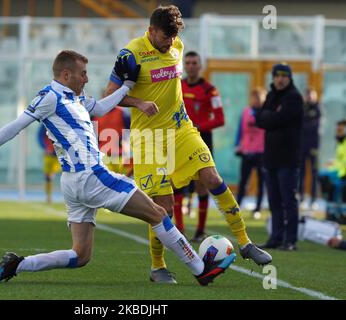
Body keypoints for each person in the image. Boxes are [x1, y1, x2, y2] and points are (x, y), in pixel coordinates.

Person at [0, 50, 236, 286]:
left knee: (81, 256)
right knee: (158, 213)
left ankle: (17, 265)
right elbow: (16, 126)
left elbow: (101, 108)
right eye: (83, 73)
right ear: (66, 75)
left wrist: (127, 87)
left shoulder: (76, 98)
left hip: (73, 184)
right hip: (92, 175)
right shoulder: (50, 96)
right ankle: (201, 270)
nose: (87, 78)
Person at [104, 5, 271, 284]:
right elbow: (109, 95)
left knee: (212, 177)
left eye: (173, 37)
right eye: (164, 37)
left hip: (182, 129)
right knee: (162, 207)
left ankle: (244, 242)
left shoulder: (177, 45)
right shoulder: (130, 55)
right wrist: (138, 102)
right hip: (150, 139)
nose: (169, 42)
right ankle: (158, 267)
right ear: (151, 30)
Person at [176, 50, 225, 241]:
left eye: (194, 63)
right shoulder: (177, 87)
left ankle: (199, 230)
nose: (190, 66)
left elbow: (220, 119)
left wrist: (198, 127)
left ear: (200, 65)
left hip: (202, 139)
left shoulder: (210, 90)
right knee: (177, 183)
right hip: (180, 139)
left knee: (202, 185)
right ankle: (179, 229)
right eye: (187, 63)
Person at [255, 63, 304, 251]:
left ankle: (290, 240)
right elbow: (260, 119)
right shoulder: (272, 95)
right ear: (273, 77)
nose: (280, 79)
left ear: (289, 78)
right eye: (277, 75)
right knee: (274, 200)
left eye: (284, 76)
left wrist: (270, 117)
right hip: (271, 157)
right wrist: (271, 117)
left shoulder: (294, 98)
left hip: (288, 158)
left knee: (288, 200)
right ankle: (276, 238)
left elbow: (277, 119)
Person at [235, 88, 266, 219]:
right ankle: (237, 207)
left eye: (259, 97)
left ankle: (257, 208)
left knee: (261, 182)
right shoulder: (246, 112)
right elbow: (240, 130)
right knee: (243, 181)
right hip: (247, 151)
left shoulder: (266, 113)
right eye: (254, 97)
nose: (256, 100)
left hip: (262, 152)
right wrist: (237, 145)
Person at [92, 106, 133, 176]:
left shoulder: (122, 113)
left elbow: (132, 131)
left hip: (121, 156)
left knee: (126, 181)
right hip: (104, 156)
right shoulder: (94, 115)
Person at [299, 88, 321, 208]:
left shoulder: (318, 108)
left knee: (314, 173)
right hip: (302, 146)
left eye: (312, 96)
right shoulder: (302, 108)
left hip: (314, 147)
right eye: (308, 96)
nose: (310, 98)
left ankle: (313, 199)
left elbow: (314, 126)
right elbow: (300, 124)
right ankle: (301, 197)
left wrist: (306, 122)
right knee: (301, 173)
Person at [37, 125, 60, 203]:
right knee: (47, 176)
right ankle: (48, 196)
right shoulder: (44, 124)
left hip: (59, 153)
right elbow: (39, 136)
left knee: (52, 175)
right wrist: (45, 147)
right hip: (49, 153)